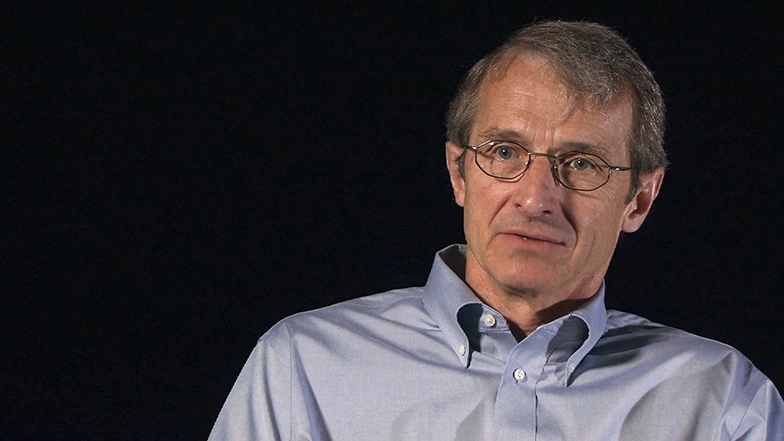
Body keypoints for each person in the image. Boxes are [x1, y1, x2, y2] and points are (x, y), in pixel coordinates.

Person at [209, 21, 783, 440]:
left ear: (639, 199)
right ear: (459, 172)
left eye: (581, 164)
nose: (536, 198)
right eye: (504, 152)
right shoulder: (303, 368)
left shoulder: (723, 400)